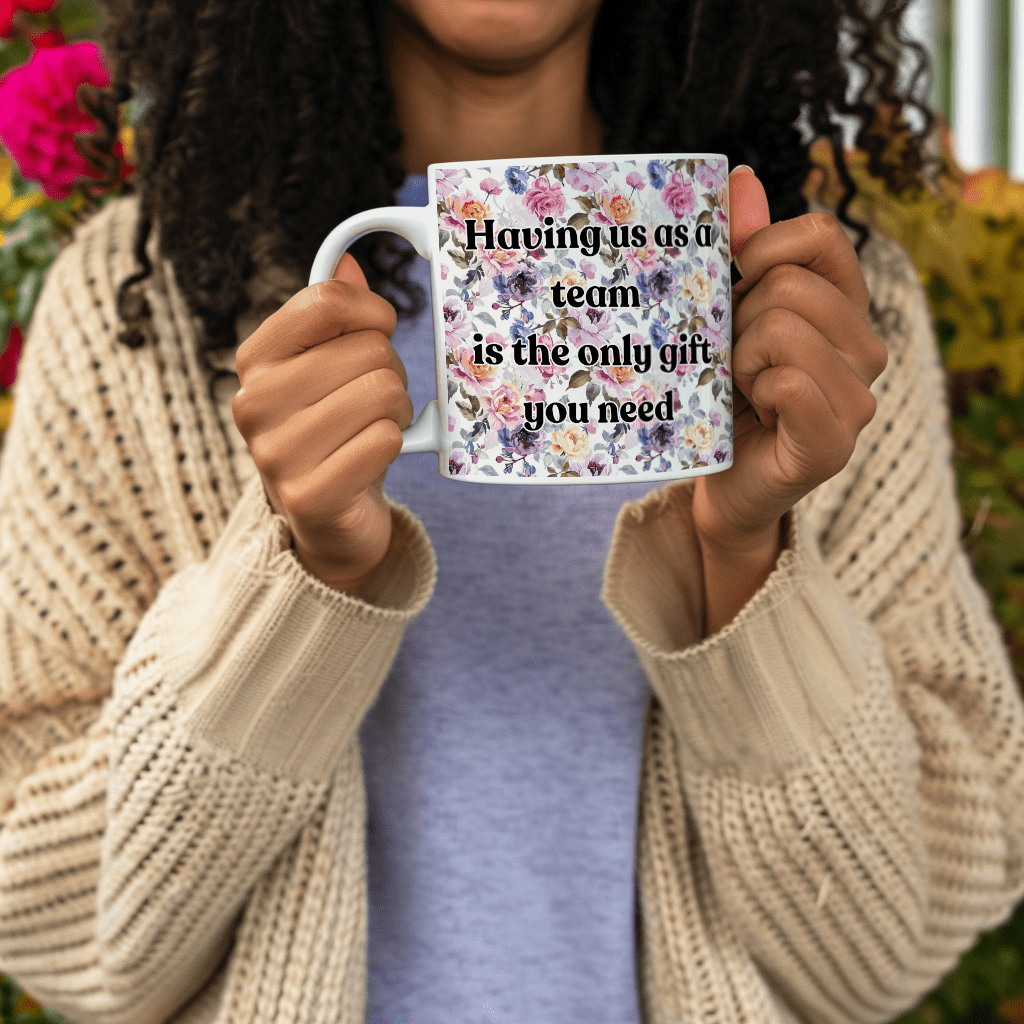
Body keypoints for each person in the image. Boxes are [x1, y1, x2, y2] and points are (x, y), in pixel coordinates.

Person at [1, 0, 1023, 1022]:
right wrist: (301, 582)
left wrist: (742, 560)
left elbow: (873, 963)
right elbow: (63, 929)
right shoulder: (142, 304)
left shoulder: (815, 319)